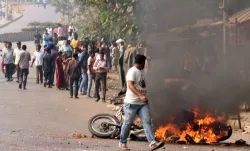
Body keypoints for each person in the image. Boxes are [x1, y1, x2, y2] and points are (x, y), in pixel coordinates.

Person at [119, 54, 164, 151]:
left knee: (147, 122)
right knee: (127, 123)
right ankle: (122, 143)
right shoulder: (132, 71)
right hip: (131, 103)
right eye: (145, 63)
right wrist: (140, 95)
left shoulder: (141, 72)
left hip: (142, 104)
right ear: (142, 63)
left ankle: (152, 143)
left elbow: (141, 85)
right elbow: (130, 86)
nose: (145, 64)